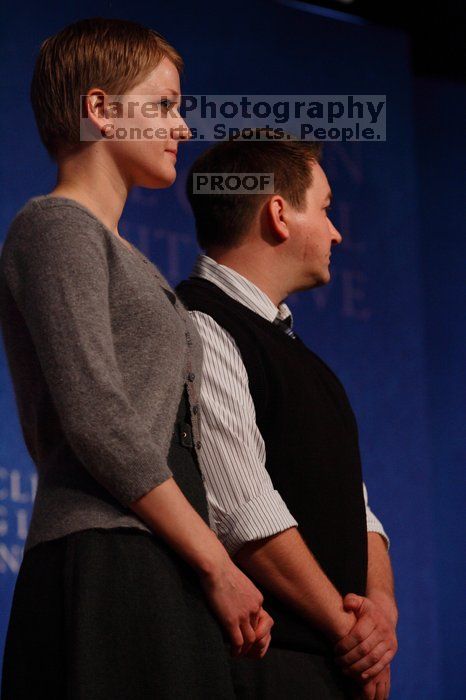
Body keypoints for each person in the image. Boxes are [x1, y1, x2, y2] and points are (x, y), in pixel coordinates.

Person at [0, 19, 274, 699]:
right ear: (98, 110)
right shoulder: (55, 225)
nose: (181, 127)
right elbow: (95, 415)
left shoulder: (126, 255)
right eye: (163, 105)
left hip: (160, 551)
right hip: (109, 558)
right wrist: (217, 564)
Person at [177, 134, 398, 699]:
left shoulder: (301, 357)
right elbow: (245, 513)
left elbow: (359, 508)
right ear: (279, 214)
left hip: (332, 664)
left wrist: (382, 614)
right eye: (325, 209)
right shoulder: (202, 325)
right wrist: (351, 632)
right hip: (267, 669)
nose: (336, 231)